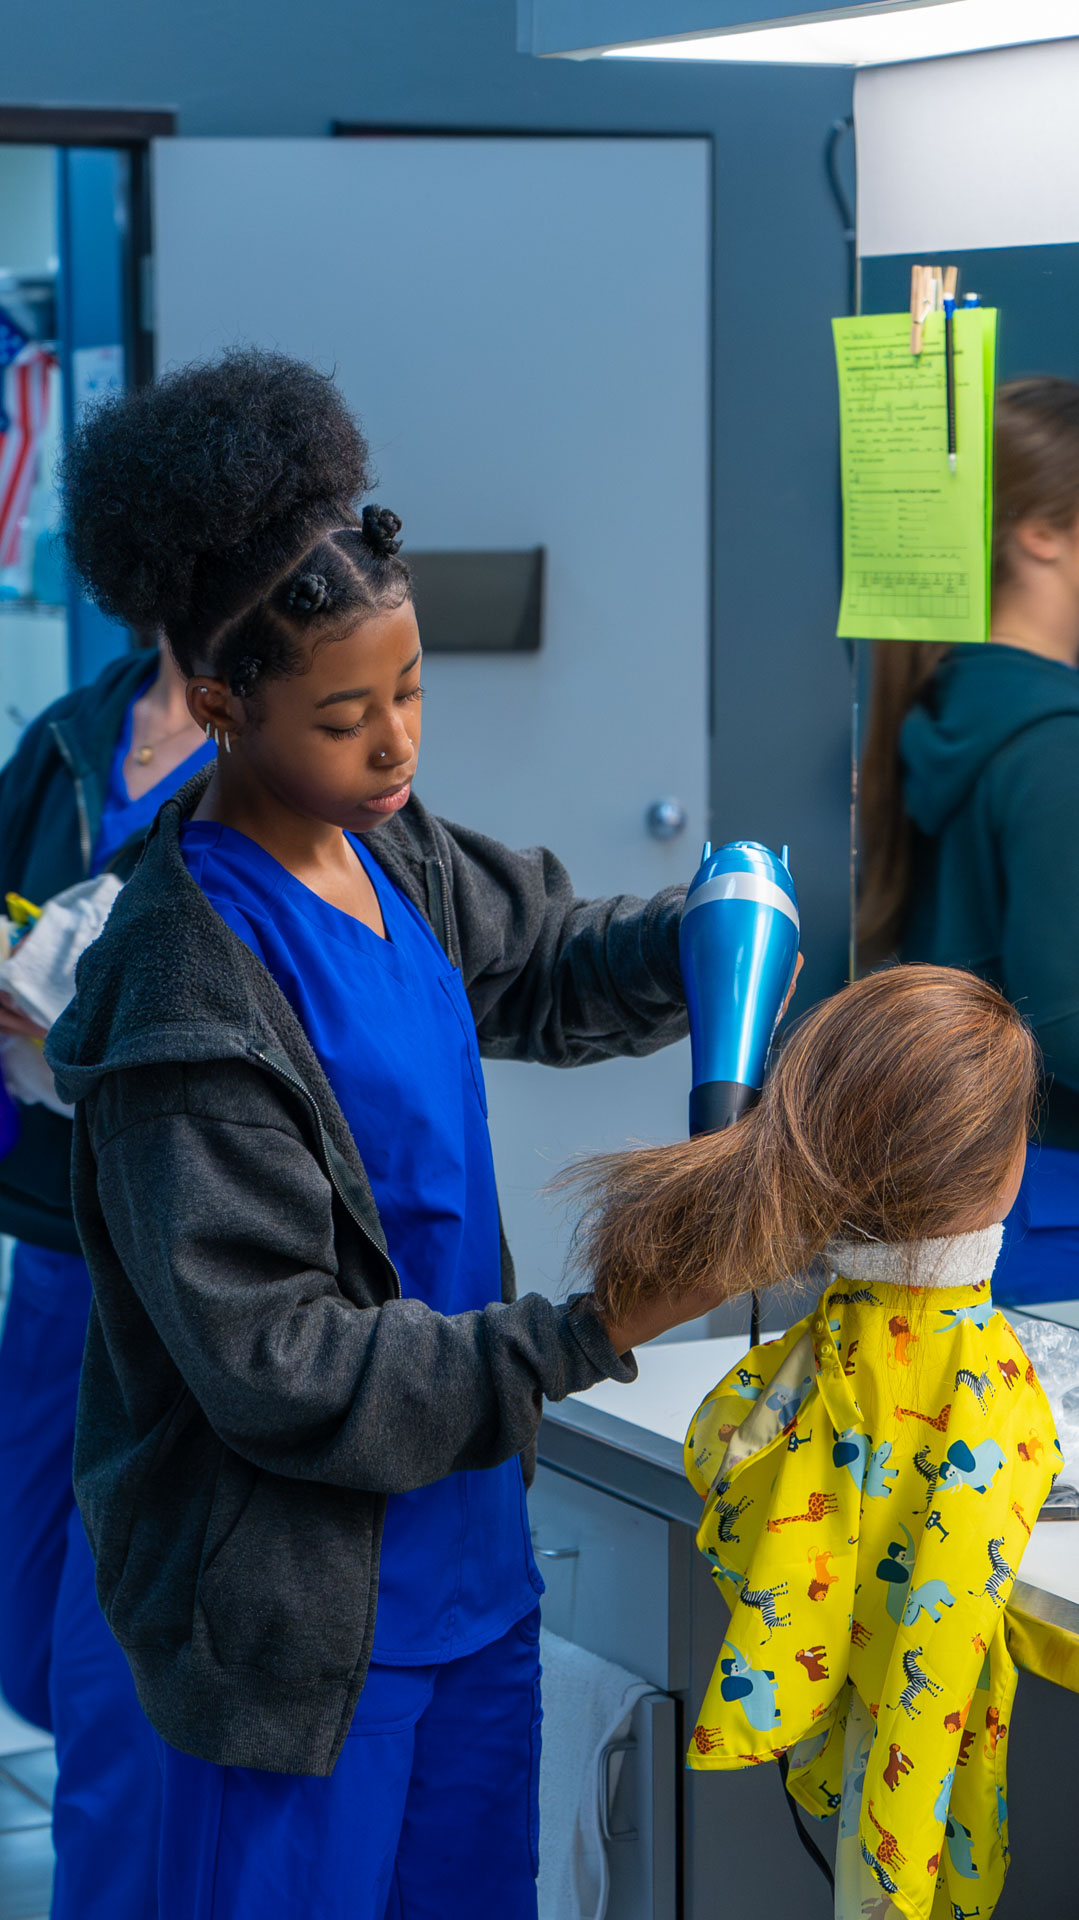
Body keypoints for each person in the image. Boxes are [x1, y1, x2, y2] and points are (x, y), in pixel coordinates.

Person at [45, 347, 724, 1920]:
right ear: (218, 704)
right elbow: (282, 1367)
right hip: (296, 1640)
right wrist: (587, 1329)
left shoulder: (386, 847)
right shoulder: (184, 992)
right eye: (347, 714)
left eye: (410, 691)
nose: (397, 745)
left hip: (468, 1578)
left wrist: (696, 936)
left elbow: (541, 955)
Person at [565, 964, 1059, 1920]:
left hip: (824, 1726)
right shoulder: (993, 1389)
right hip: (917, 1768)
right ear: (1003, 1175)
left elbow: (719, 1450)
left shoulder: (806, 1361)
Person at [0, 621, 212, 1919]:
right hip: (49, 1237)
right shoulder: (73, 735)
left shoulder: (273, 750)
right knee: (27, 1621)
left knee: (107, 1663)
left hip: (169, 1251)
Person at [858, 376, 1079, 1307]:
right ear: (1040, 531)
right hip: (1057, 1210)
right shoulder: (1053, 743)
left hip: (981, 1206)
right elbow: (1065, 1024)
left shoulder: (952, 709)